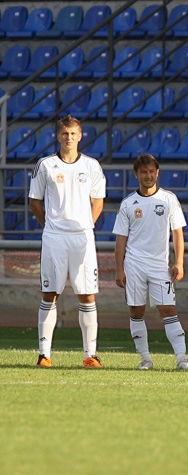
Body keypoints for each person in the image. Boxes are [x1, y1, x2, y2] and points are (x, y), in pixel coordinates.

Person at [29, 115, 106, 368]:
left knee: (87, 294)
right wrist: (51, 226)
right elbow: (34, 201)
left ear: (80, 136)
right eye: (65, 133)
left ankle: (90, 355)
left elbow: (98, 201)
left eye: (73, 133)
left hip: (83, 237)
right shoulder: (45, 165)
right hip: (54, 238)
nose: (69, 138)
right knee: (50, 293)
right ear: (58, 136)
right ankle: (44, 354)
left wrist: (86, 226)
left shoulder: (92, 166)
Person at [113, 154, 188, 371]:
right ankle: (145, 359)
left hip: (160, 265)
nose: (148, 176)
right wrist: (119, 269)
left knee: (168, 309)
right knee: (136, 310)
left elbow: (177, 233)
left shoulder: (169, 199)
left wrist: (179, 262)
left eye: (152, 172)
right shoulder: (128, 204)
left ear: (157, 173)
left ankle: (182, 358)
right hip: (134, 264)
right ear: (136, 174)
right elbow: (121, 239)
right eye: (144, 172)